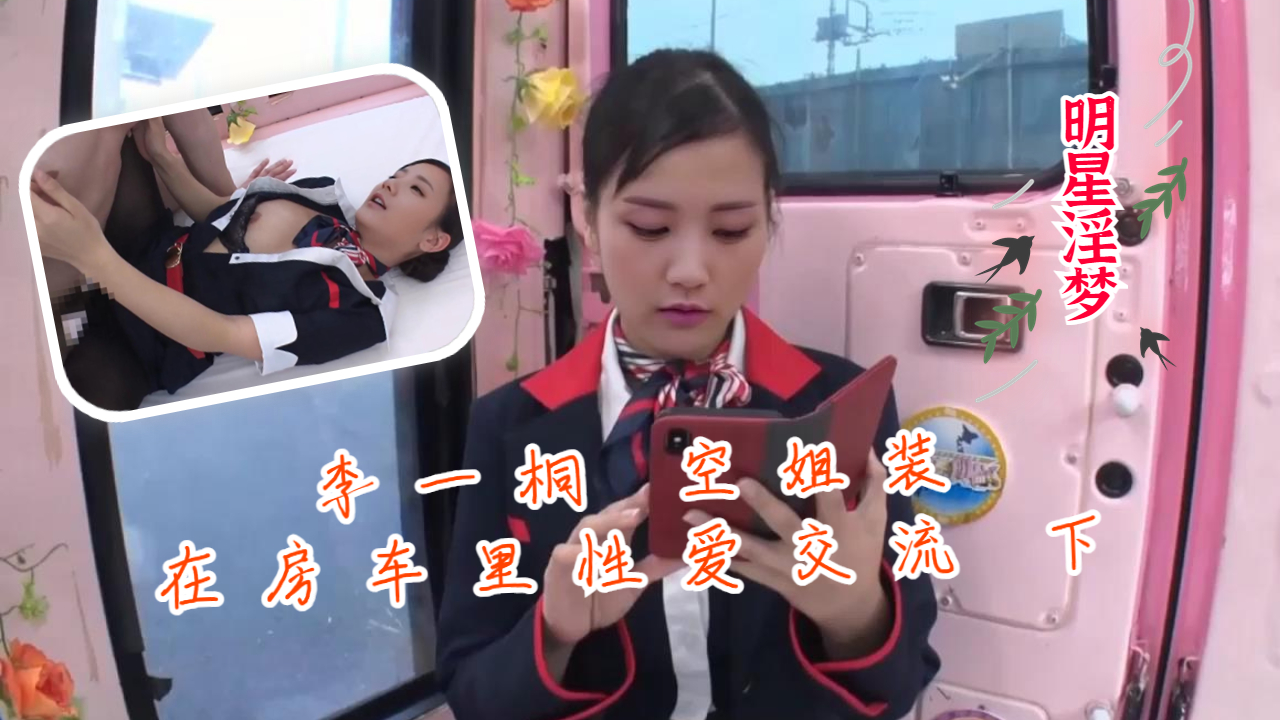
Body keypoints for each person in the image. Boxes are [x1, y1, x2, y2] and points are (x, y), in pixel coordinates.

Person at [435, 49, 939, 720]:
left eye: (731, 230)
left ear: (769, 219)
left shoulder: (843, 406)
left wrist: (854, 617)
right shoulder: (508, 424)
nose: (690, 270)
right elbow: (470, 687)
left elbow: (902, 682)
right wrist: (553, 632)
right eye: (649, 227)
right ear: (586, 215)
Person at [29, 112, 464, 411]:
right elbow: (218, 215)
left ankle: (60, 288)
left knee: (57, 409)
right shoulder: (323, 199)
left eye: (415, 189)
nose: (389, 184)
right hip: (147, 244)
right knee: (104, 126)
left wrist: (96, 258)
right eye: (395, 175)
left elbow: (221, 331)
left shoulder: (362, 313)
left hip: (141, 343)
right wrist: (162, 158)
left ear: (433, 240)